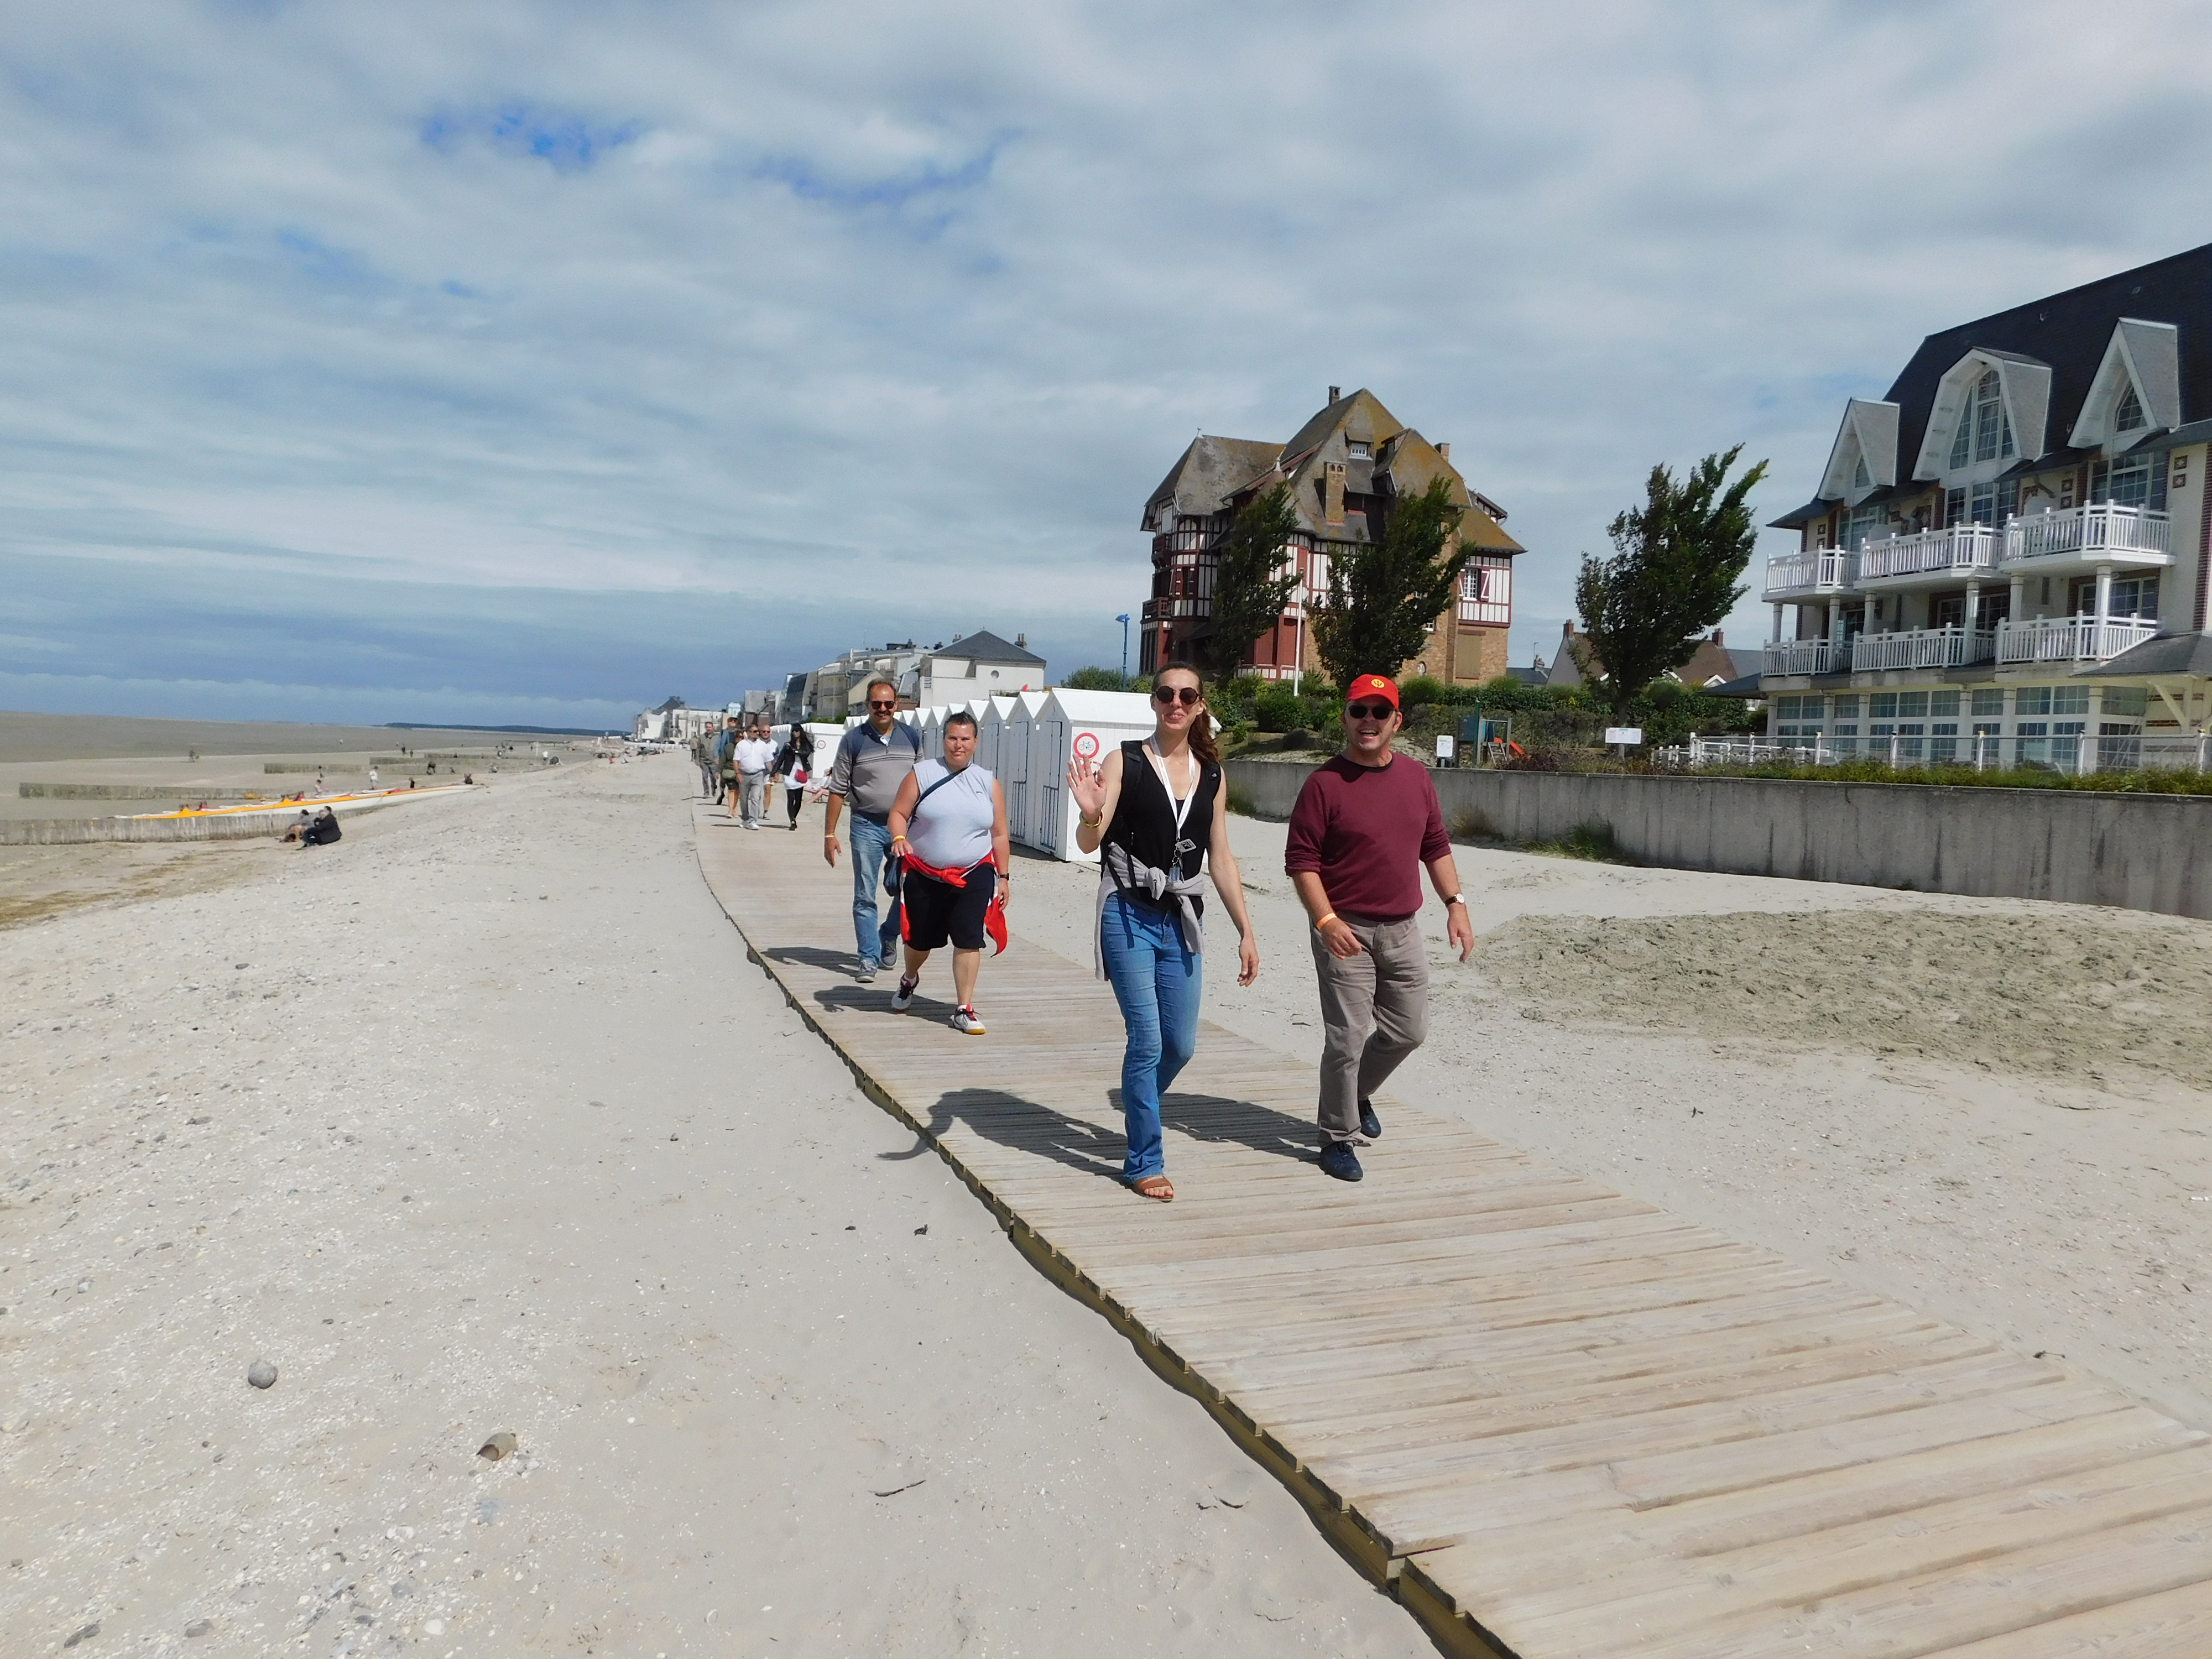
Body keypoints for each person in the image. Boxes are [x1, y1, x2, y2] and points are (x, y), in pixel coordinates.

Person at [1068, 665, 1259, 1202]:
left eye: (1187, 695)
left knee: (1180, 1044)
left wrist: (1246, 929)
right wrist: (1088, 815)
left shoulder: (1213, 774)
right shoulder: (1124, 760)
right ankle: (1143, 1161)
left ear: (1200, 705)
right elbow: (1090, 845)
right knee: (1147, 1040)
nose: (1176, 702)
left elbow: (1220, 857)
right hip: (1126, 911)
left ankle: (1137, 1108)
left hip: (1183, 920)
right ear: (1153, 702)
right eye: (1166, 694)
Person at [1285, 674, 1475, 1183]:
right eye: (1358, 711)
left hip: (1402, 928)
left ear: (1397, 720)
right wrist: (1325, 921)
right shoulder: (1323, 784)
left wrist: (1455, 904)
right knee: (1346, 1039)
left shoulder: (1416, 778)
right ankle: (1337, 1138)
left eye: (1379, 712)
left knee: (1409, 1030)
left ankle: (1358, 1094)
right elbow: (1302, 862)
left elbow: (1434, 845)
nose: (1368, 720)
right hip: (1342, 928)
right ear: (1345, 717)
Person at [885, 709, 1008, 1036]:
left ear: (976, 742)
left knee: (969, 938)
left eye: (965, 739)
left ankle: (963, 1008)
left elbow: (999, 834)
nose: (959, 745)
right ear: (944, 740)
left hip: (974, 872)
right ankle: (910, 977)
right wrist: (900, 838)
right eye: (953, 738)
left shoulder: (988, 782)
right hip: (925, 873)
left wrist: (1005, 877)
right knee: (919, 940)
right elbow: (898, 812)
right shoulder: (922, 774)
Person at [822, 680, 922, 983]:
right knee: (865, 894)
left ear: (897, 705)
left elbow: (922, 785)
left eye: (889, 704)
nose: (883, 709)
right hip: (865, 823)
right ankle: (868, 957)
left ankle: (888, 935)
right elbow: (838, 789)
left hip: (903, 827)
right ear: (867, 705)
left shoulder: (912, 737)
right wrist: (829, 834)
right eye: (877, 704)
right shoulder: (853, 740)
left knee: (908, 889)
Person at [774, 726, 815, 831]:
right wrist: (774, 772)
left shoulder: (805, 746)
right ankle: (792, 821)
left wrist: (795, 751)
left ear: (800, 732)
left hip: (800, 774)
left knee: (798, 800)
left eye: (796, 731)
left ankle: (794, 816)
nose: (794, 733)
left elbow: (806, 753)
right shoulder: (787, 745)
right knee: (791, 798)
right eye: (793, 731)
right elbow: (780, 760)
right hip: (789, 774)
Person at [735, 722, 775, 830]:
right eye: (755, 731)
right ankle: (745, 819)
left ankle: (753, 821)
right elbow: (736, 760)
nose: (758, 733)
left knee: (755, 798)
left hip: (758, 775)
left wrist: (773, 773)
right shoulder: (741, 745)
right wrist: (737, 773)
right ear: (749, 733)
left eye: (758, 731)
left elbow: (768, 761)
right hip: (744, 774)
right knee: (743, 798)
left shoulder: (762, 745)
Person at [714, 716, 742, 816]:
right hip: (726, 761)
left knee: (735, 789)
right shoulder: (723, 732)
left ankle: (732, 809)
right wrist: (716, 757)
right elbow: (717, 745)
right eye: (731, 720)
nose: (733, 722)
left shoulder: (739, 732)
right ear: (728, 722)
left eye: (735, 720)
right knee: (724, 782)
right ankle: (722, 793)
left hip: (737, 766)